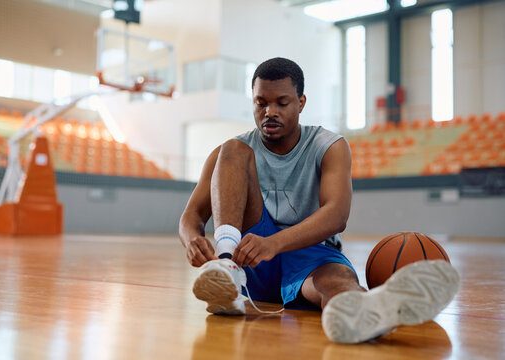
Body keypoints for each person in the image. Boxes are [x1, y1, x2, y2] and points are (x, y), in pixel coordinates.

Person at [179, 57, 459, 343]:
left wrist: (273, 244)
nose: (269, 112)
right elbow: (191, 217)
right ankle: (226, 269)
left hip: (309, 251)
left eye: (282, 103)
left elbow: (337, 215)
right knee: (232, 149)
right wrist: (192, 241)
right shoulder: (229, 153)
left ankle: (368, 312)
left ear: (301, 102)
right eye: (261, 103)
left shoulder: (328, 146)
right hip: (247, 257)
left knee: (336, 283)